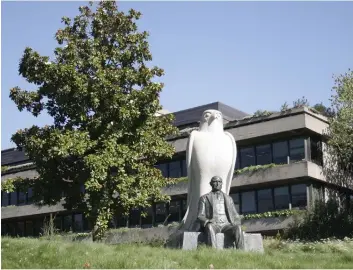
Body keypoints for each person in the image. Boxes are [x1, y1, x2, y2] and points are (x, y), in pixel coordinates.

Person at [197, 176, 244, 249]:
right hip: (214, 224)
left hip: (226, 225)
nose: (217, 183)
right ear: (211, 184)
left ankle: (241, 252)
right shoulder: (204, 198)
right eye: (215, 181)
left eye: (219, 182)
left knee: (238, 228)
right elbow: (200, 215)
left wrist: (237, 221)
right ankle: (212, 251)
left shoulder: (228, 198)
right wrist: (208, 221)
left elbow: (235, 215)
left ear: (222, 184)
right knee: (210, 227)